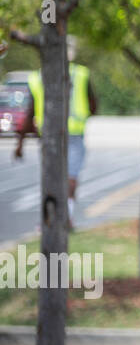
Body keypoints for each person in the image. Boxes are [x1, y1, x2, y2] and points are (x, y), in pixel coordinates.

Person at [15, 37, 98, 228]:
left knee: (51, 177)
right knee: (71, 177)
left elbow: (30, 113)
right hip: (74, 134)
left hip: (48, 136)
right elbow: (93, 105)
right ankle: (64, 217)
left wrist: (21, 143)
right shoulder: (81, 74)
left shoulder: (37, 76)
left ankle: (52, 219)